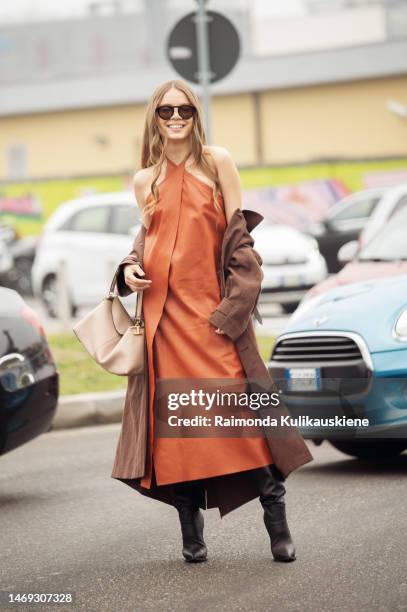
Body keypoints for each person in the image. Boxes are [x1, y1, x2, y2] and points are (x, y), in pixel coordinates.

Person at [112, 78, 311, 563]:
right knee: (179, 431)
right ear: (154, 119)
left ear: (196, 116)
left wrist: (231, 313)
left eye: (184, 110)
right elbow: (146, 245)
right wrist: (127, 272)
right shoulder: (145, 180)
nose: (176, 118)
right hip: (164, 325)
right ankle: (191, 535)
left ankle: (277, 525)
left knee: (243, 424)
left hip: (216, 322)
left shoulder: (217, 161)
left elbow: (241, 244)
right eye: (166, 112)